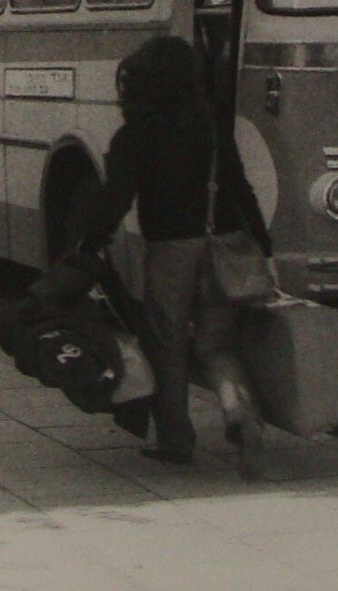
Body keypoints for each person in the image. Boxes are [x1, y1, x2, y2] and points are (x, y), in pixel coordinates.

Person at [76, 35, 269, 479]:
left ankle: (176, 441)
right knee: (216, 344)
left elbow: (116, 198)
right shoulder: (213, 128)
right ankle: (237, 410)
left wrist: (88, 243)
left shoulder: (135, 135)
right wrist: (263, 245)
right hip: (224, 246)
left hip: (170, 252)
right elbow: (240, 188)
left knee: (168, 343)